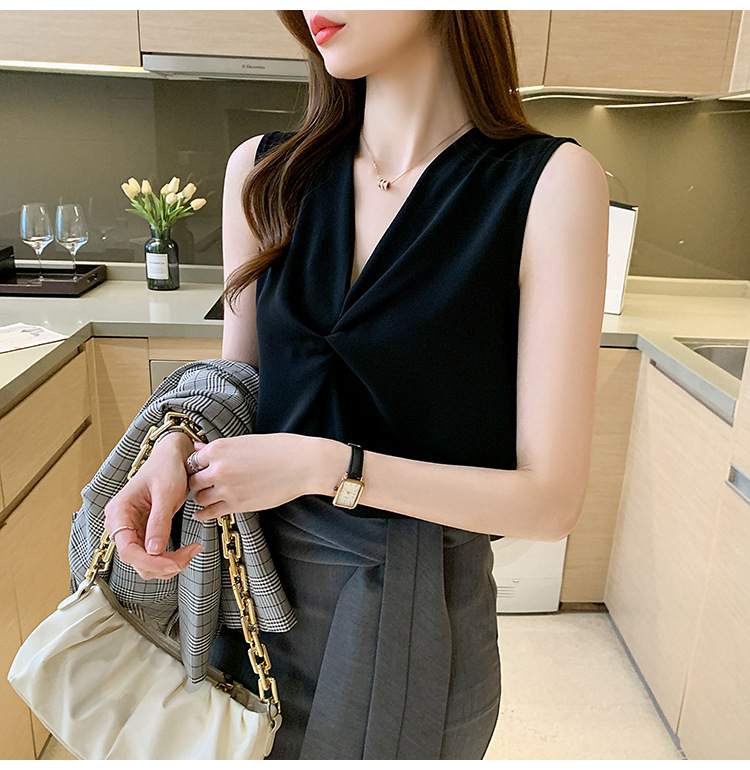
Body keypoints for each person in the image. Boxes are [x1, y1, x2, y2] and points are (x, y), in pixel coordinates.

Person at [103, 10, 608, 760]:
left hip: (412, 616)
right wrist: (178, 445)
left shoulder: (549, 183)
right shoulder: (264, 172)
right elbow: (239, 382)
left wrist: (327, 467)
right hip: (245, 587)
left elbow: (550, 502)